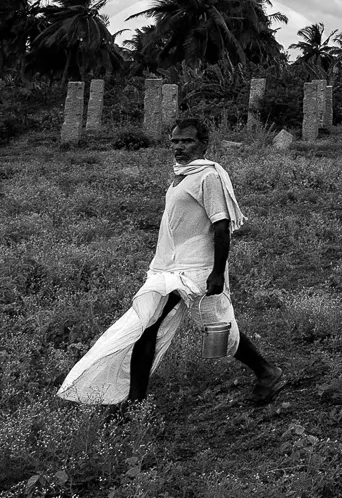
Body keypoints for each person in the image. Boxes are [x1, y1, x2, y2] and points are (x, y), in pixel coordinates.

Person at [58, 115, 285, 406]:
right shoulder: (182, 175)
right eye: (175, 141)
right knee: (147, 326)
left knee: (216, 328)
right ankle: (135, 402)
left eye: (187, 141)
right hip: (170, 269)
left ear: (203, 144)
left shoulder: (209, 176)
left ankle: (267, 371)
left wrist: (217, 272)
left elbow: (221, 225)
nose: (180, 147)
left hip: (197, 270)